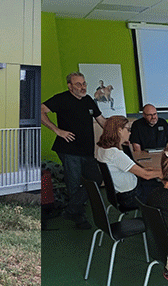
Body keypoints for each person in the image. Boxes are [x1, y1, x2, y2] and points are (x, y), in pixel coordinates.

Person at [42, 72, 106, 229]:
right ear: (70, 86)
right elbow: (40, 110)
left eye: (84, 84)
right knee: (74, 184)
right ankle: (79, 218)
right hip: (69, 150)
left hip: (87, 150)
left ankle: (71, 209)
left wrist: (117, 134)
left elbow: (102, 121)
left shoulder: (89, 100)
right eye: (78, 84)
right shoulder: (61, 99)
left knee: (96, 179)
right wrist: (57, 130)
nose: (82, 87)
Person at [94, 116, 162, 209]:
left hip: (120, 194)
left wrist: (159, 171)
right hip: (132, 197)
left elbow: (139, 170)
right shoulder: (115, 153)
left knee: (154, 182)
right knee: (164, 189)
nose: (130, 133)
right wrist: (167, 173)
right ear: (119, 130)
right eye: (128, 129)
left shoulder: (102, 149)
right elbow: (146, 175)